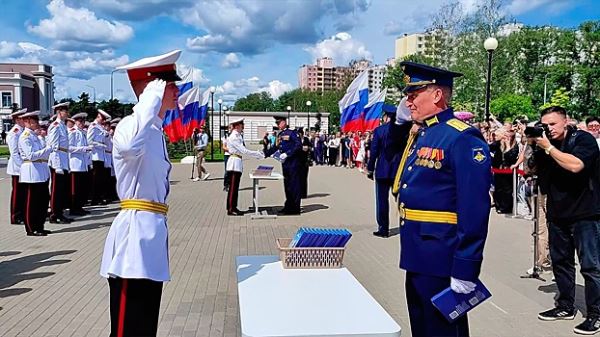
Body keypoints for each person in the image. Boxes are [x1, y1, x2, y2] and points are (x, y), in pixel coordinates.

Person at [392, 61, 491, 337]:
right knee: (422, 325)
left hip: (443, 255)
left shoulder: (461, 138)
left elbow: (474, 208)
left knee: (443, 330)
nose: (408, 101)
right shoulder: (426, 132)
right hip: (417, 250)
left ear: (436, 95)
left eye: (414, 94)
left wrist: (466, 266)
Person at [100, 49, 182, 337]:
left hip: (150, 236)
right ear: (151, 90)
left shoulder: (154, 131)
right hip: (132, 241)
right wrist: (148, 101)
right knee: (127, 328)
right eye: (169, 85)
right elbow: (127, 147)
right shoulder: (131, 126)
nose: (176, 91)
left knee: (145, 326)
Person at [533, 106, 600, 335]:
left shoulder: (583, 139)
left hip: (585, 213)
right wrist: (532, 145)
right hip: (557, 213)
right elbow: (534, 172)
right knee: (561, 262)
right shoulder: (543, 145)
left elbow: (576, 166)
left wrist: (549, 148)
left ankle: (595, 314)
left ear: (566, 121)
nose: (548, 129)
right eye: (545, 125)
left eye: (552, 124)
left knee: (591, 266)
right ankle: (565, 306)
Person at [367, 104, 411, 238]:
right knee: (401, 199)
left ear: (386, 116)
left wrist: (370, 168)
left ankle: (383, 229)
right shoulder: (405, 131)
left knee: (382, 200)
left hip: (382, 170)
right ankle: (407, 225)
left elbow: (374, 151)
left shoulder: (379, 131)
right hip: (398, 170)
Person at [19, 110, 52, 236]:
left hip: (40, 171)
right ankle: (31, 228)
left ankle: (40, 225)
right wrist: (47, 150)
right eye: (34, 121)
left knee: (42, 201)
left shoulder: (35, 136)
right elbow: (31, 155)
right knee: (32, 203)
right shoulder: (25, 137)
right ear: (27, 122)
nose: (37, 124)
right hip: (31, 171)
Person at [225, 118, 264, 215]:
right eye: (242, 124)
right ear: (237, 125)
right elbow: (244, 151)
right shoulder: (234, 137)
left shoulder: (238, 136)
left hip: (237, 161)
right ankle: (231, 209)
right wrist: (258, 154)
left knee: (235, 187)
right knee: (233, 188)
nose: (243, 126)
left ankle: (233, 207)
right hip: (234, 163)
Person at [266, 116, 303, 215]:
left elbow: (298, 145)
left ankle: (295, 208)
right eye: (277, 123)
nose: (278, 125)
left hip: (293, 163)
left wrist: (287, 153)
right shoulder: (281, 134)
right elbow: (277, 147)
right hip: (285, 164)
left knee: (294, 186)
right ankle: (288, 206)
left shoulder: (293, 133)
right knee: (287, 186)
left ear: (284, 122)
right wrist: (265, 153)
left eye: (279, 123)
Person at [48, 102, 73, 224]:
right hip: (57, 160)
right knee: (56, 190)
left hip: (63, 159)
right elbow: (53, 146)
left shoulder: (62, 125)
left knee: (62, 190)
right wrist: (57, 165)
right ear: (59, 112)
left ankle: (60, 213)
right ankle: (54, 215)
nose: (67, 113)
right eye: (65, 111)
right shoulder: (55, 126)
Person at [7, 108, 27, 225]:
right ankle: (15, 216)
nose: (23, 119)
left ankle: (23, 214)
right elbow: (14, 153)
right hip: (17, 168)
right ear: (16, 119)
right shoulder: (14, 133)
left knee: (23, 193)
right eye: (21, 118)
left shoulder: (23, 131)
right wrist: (22, 167)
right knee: (17, 193)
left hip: (23, 167)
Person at [68, 112, 91, 215]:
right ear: (75, 122)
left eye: (83, 121)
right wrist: (83, 149)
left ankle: (79, 207)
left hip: (83, 164)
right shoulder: (73, 132)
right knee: (75, 189)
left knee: (81, 188)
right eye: (80, 121)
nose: (82, 123)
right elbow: (69, 148)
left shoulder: (83, 132)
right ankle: (74, 208)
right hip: (75, 164)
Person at [88, 109, 110, 205]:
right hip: (95, 155)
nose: (103, 121)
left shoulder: (100, 127)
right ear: (99, 116)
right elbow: (90, 141)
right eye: (103, 118)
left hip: (101, 155)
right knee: (96, 179)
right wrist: (100, 145)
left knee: (100, 178)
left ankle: (99, 197)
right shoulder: (93, 126)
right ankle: (94, 198)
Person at [297, 128, 312, 198]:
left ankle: (304, 193)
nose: (299, 135)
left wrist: (308, 147)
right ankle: (298, 193)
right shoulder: (296, 140)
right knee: (298, 177)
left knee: (304, 177)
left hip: (305, 160)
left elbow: (311, 147)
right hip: (298, 161)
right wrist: (301, 148)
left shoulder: (306, 139)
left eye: (300, 134)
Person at [221, 124, 232, 192]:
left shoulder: (237, 136)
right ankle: (226, 185)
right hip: (227, 155)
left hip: (235, 155)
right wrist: (230, 150)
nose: (231, 129)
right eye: (229, 128)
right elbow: (224, 147)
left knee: (233, 171)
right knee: (227, 171)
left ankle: (232, 185)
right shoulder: (225, 136)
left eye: (232, 128)